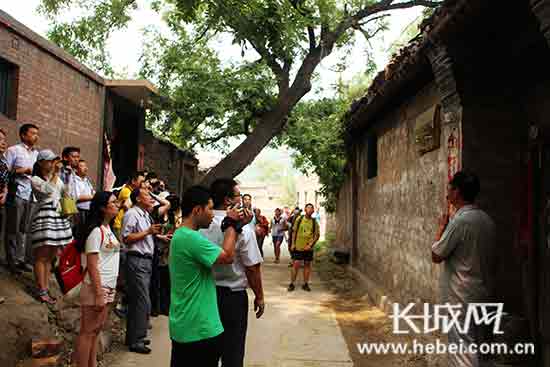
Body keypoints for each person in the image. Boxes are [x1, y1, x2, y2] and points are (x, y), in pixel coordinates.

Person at [169, 186, 243, 367]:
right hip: (199, 328)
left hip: (186, 325)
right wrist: (231, 224)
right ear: (197, 210)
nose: (212, 214)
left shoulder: (181, 235)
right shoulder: (191, 239)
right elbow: (227, 256)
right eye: (209, 208)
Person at [431, 171, 496, 367]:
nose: (446, 194)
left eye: (449, 189)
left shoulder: (459, 222)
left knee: (463, 355)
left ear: (457, 192)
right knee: (480, 351)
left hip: (461, 299)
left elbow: (436, 255)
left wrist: (441, 227)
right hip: (483, 295)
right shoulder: (487, 220)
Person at [200, 178, 265, 367]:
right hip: (233, 298)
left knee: (207, 352)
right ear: (228, 200)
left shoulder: (202, 225)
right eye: (238, 195)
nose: (242, 200)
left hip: (205, 294)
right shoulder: (242, 229)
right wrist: (259, 296)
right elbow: (252, 267)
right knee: (233, 353)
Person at [76, 192, 120, 367]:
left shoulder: (108, 229)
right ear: (103, 207)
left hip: (108, 286)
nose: (117, 205)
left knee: (96, 331)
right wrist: (99, 292)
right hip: (97, 287)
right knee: (87, 331)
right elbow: (92, 265)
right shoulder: (96, 231)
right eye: (113, 202)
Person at [121, 187, 162, 354]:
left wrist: (157, 236)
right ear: (138, 198)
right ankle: (136, 340)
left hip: (145, 261)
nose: (151, 198)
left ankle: (134, 336)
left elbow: (145, 236)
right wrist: (148, 231)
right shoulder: (132, 214)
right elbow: (126, 238)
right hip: (137, 259)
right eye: (147, 195)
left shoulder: (145, 215)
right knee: (142, 301)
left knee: (138, 300)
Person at [30, 150, 73, 304]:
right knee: (41, 256)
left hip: (58, 218)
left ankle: (46, 287)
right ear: (41, 163)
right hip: (44, 219)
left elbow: (64, 195)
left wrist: (67, 179)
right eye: (50, 161)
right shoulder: (35, 179)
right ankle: (41, 289)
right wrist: (56, 174)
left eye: (54, 160)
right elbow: (48, 191)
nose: (53, 163)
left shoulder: (58, 179)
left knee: (51, 257)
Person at [5, 123, 39, 274]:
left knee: (24, 230)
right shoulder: (13, 150)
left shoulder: (37, 155)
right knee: (12, 228)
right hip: (17, 192)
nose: (35, 136)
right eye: (32, 133)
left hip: (31, 195)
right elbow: (5, 172)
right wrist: (22, 170)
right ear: (23, 135)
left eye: (37, 134)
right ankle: (10, 260)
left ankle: (20, 259)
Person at [159, 194, 182, 316]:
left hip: (169, 250)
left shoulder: (173, 216)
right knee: (162, 279)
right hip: (160, 249)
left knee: (167, 280)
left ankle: (166, 306)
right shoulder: (161, 214)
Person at [288, 204, 320, 292]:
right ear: (305, 210)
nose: (310, 210)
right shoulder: (300, 219)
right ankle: (292, 283)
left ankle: (305, 284)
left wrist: (310, 245)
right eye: (308, 208)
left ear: (313, 211)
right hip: (298, 246)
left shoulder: (314, 222)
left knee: (307, 265)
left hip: (308, 248)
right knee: (296, 264)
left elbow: (317, 235)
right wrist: (293, 244)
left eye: (311, 208)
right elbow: (294, 232)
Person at [0, 128, 10, 304]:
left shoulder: (2, 162)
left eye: (3, 140)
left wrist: (5, 191)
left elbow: (6, 181)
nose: (3, 142)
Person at [74, 160, 95, 231]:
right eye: (82, 166)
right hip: (80, 212)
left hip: (88, 211)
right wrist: (92, 197)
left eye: (86, 166)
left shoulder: (87, 180)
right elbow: (77, 197)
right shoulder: (75, 180)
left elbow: (92, 192)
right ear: (76, 169)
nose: (86, 168)